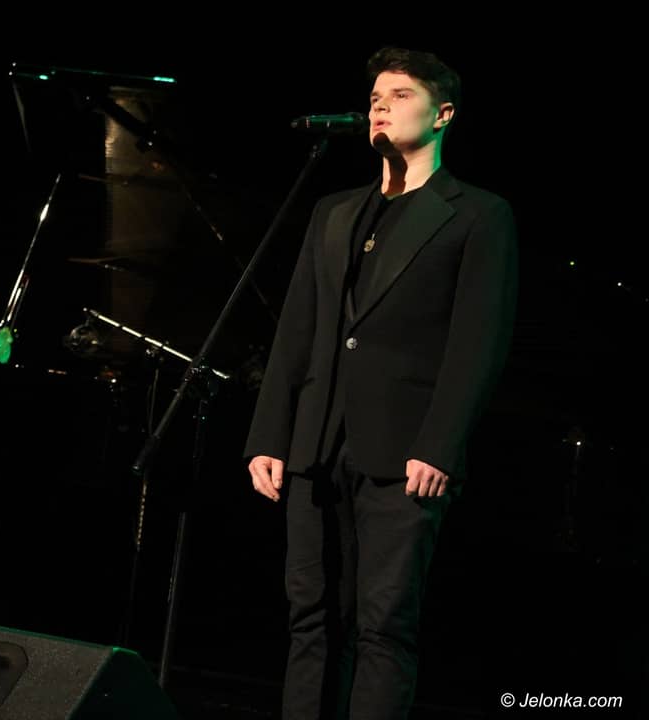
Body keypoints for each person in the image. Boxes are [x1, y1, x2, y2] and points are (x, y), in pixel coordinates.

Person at [245, 47, 517, 718]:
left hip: (405, 454)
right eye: (373, 97)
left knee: (384, 626)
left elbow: (477, 344)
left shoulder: (477, 214)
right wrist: (269, 435)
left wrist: (440, 444)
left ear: (442, 114)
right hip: (315, 446)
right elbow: (297, 331)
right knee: (309, 619)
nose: (379, 106)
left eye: (399, 95)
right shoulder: (335, 211)